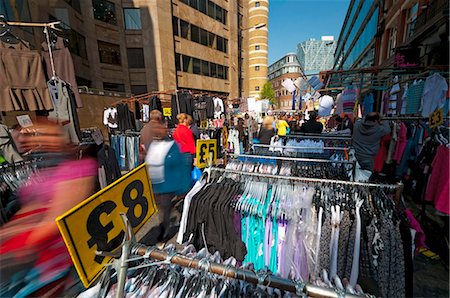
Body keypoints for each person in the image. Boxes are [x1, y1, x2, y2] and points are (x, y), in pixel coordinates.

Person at [0, 121, 97, 297]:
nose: (44, 140)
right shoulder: (45, 171)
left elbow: (56, 220)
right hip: (35, 260)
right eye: (39, 136)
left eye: (51, 135)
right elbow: (31, 208)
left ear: (61, 138)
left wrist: (17, 245)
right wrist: (8, 234)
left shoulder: (77, 169)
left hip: (57, 260)